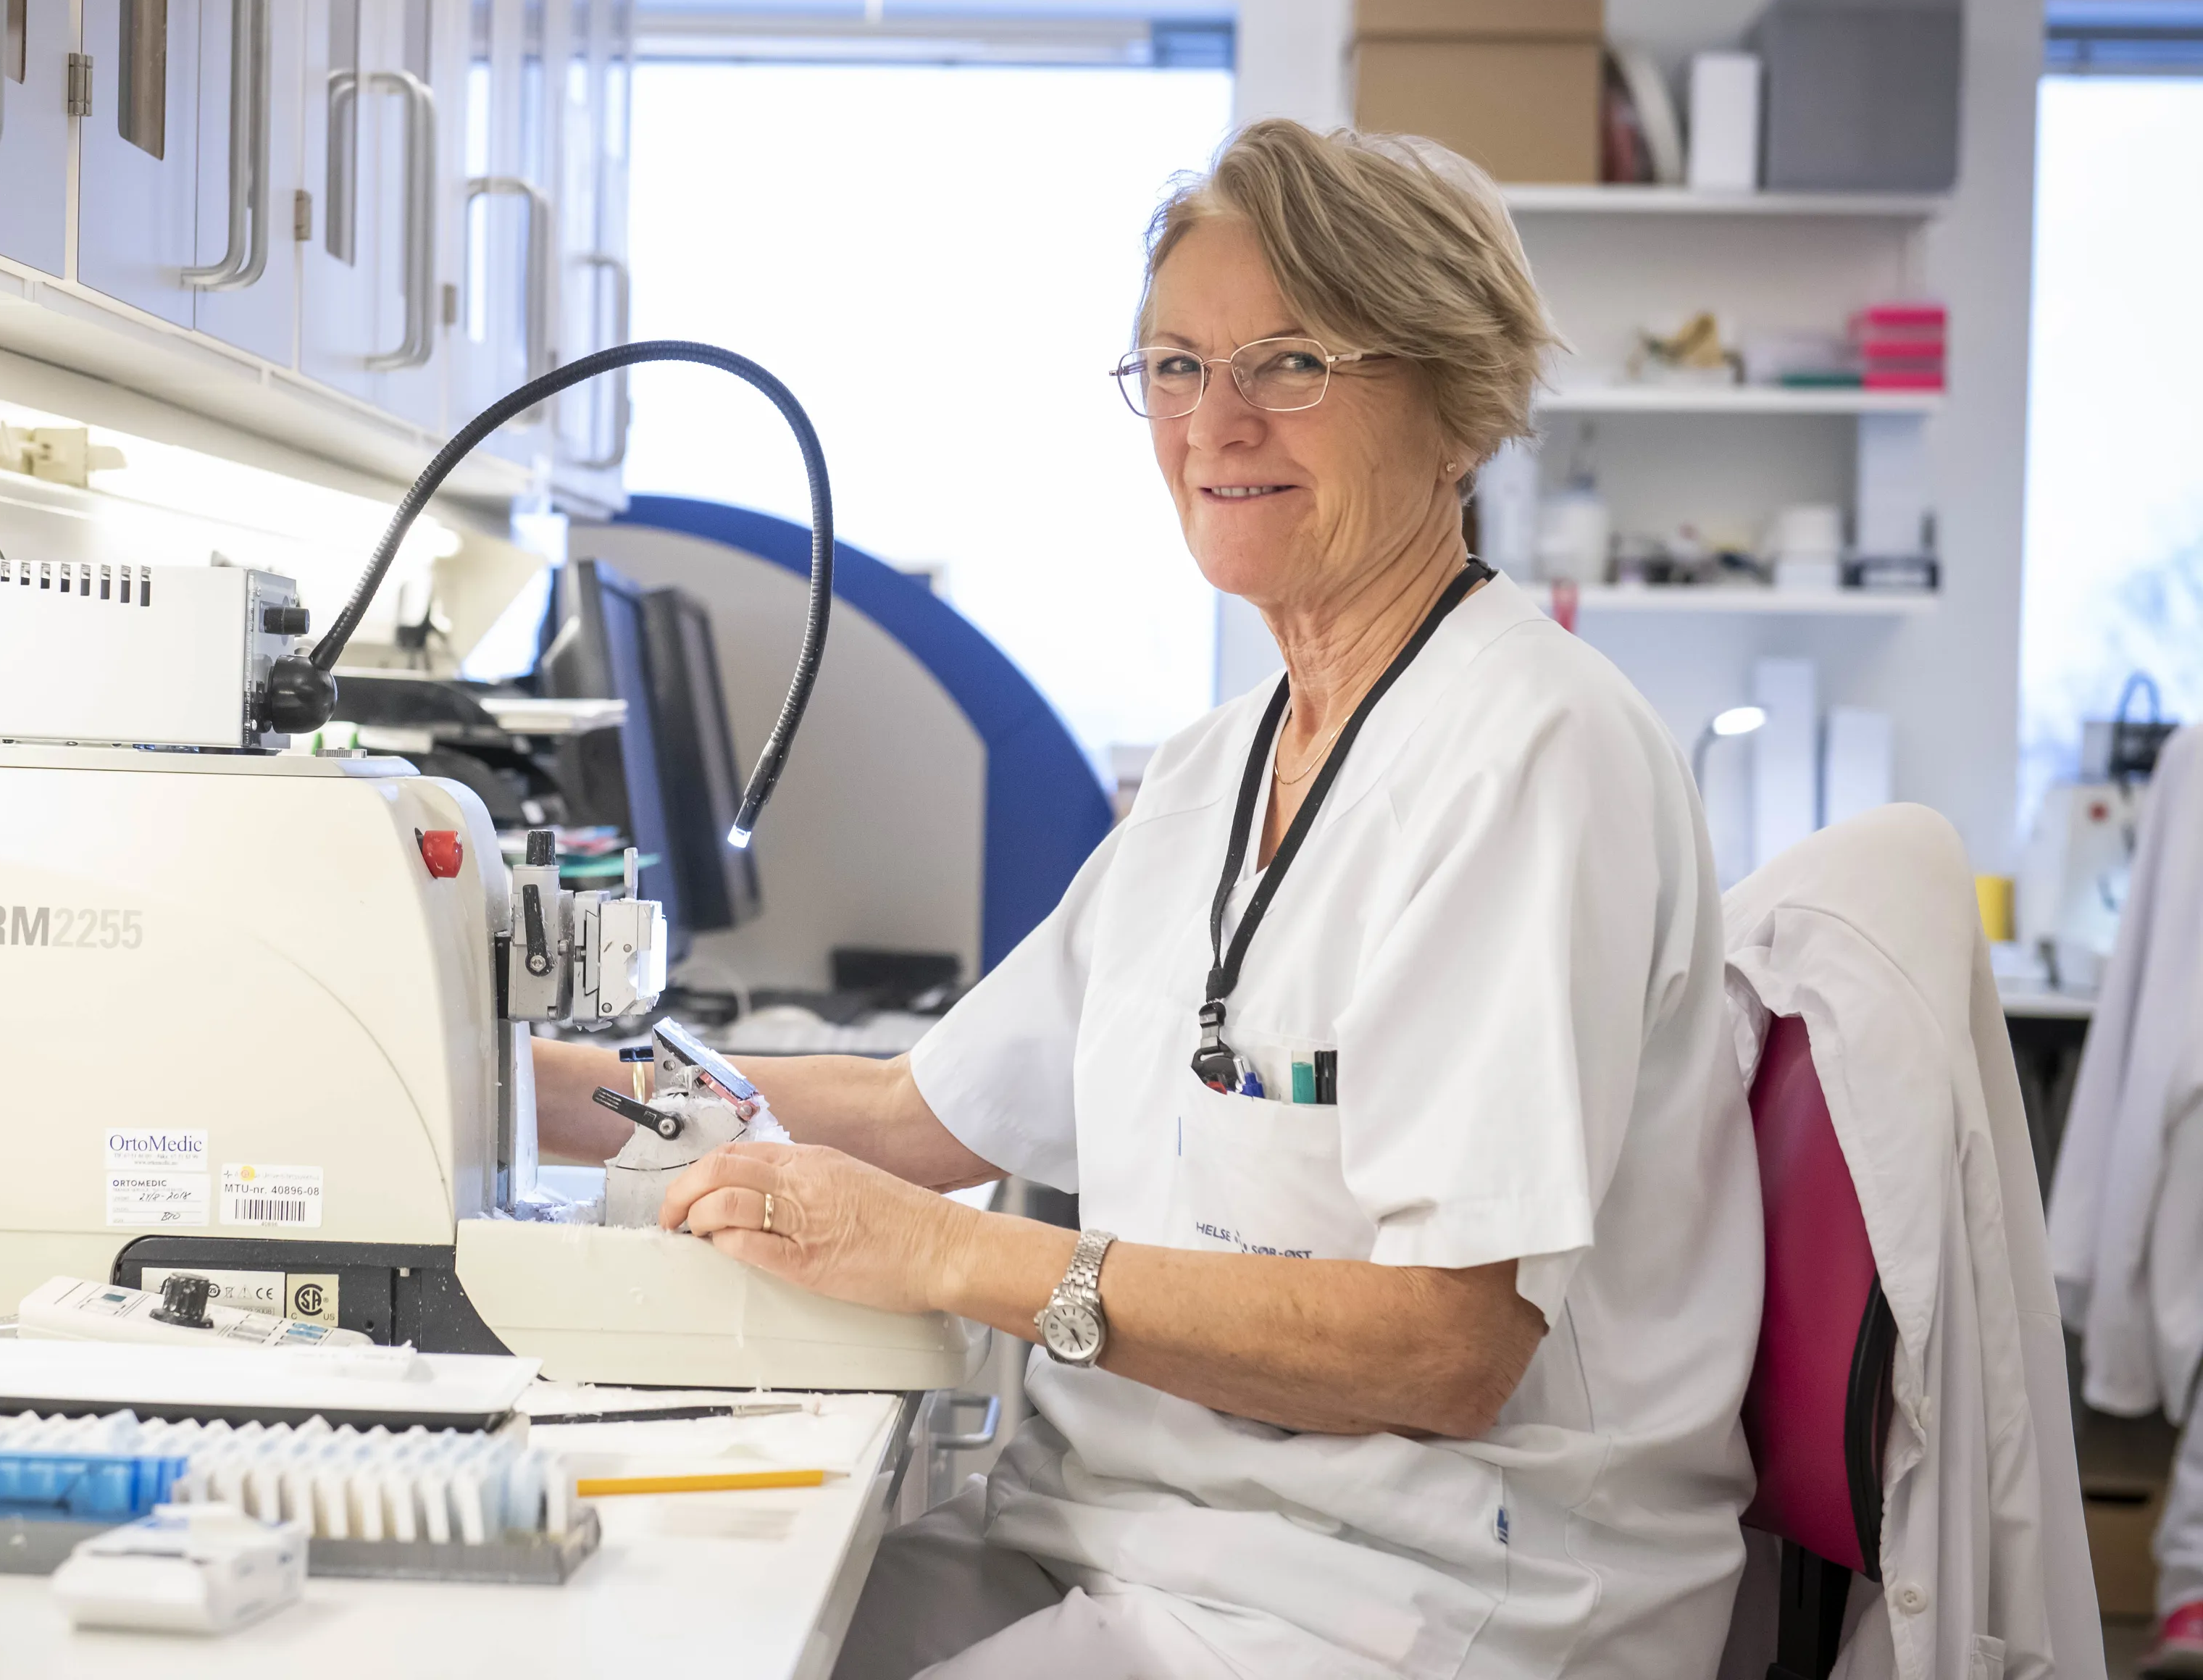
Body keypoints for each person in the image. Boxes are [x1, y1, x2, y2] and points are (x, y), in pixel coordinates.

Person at [535, 119, 1761, 1678]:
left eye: (1293, 361)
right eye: (1174, 365)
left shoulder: (1531, 755)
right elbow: (921, 1111)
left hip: (1413, 1594)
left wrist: (948, 1254)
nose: (1217, 420)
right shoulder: (1218, 766)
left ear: (1457, 405)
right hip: (1150, 1529)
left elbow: (1448, 1349)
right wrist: (544, 1086)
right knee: (658, 1620)